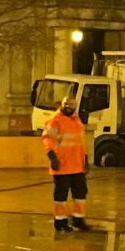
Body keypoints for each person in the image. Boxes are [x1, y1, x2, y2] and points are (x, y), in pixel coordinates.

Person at [42, 96, 90, 232]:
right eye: (66, 104)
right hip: (62, 165)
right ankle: (60, 221)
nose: (69, 107)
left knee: (80, 193)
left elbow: (80, 142)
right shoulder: (55, 120)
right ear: (62, 105)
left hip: (77, 165)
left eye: (72, 104)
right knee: (61, 195)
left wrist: (85, 159)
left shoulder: (77, 120)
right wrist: (52, 157)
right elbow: (48, 139)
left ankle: (78, 220)